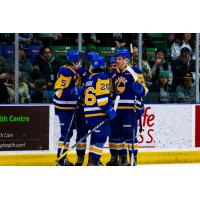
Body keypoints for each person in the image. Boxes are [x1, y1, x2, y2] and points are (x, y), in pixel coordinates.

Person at [108, 48, 148, 166]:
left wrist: (140, 90)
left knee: (129, 134)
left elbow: (144, 90)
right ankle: (122, 158)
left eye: (119, 59)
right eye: (117, 59)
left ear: (126, 60)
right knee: (117, 134)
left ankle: (134, 158)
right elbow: (111, 92)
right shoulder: (114, 74)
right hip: (117, 111)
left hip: (130, 110)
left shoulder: (134, 71)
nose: (117, 61)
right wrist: (110, 105)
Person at [83, 55, 116, 166]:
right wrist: (110, 109)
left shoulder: (88, 78)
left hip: (88, 113)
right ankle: (95, 161)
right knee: (101, 138)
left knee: (95, 138)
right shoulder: (102, 77)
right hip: (98, 113)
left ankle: (91, 161)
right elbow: (102, 100)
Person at [54, 50, 84, 166]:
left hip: (70, 106)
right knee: (65, 133)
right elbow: (59, 91)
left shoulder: (73, 71)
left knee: (68, 133)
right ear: (75, 61)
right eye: (79, 60)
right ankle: (61, 159)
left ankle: (62, 158)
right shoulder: (66, 72)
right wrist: (77, 90)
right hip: (64, 107)